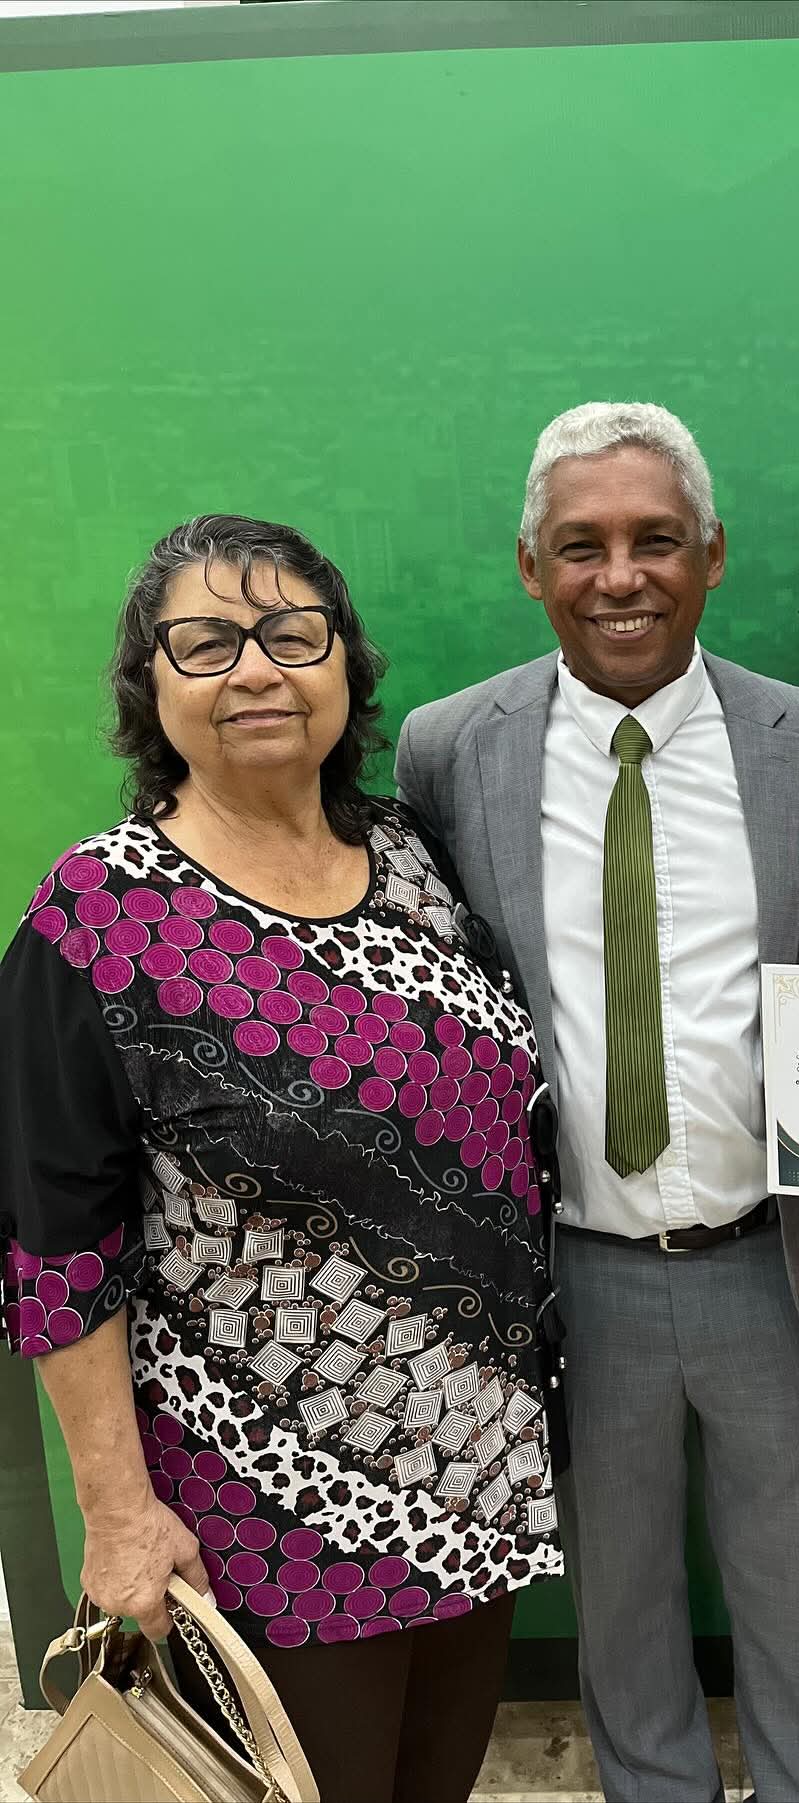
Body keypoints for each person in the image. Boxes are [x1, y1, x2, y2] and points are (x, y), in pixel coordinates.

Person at [0, 516, 563, 1803]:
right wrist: (118, 1513)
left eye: (292, 635)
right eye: (205, 644)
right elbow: (53, 1245)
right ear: (150, 685)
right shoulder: (98, 918)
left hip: (476, 1475)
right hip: (262, 1514)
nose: (255, 669)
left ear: (345, 664)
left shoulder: (414, 858)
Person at [397, 403, 799, 1803]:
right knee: (620, 1614)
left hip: (776, 1267)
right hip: (571, 1277)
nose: (621, 577)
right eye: (581, 545)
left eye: (656, 540)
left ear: (712, 554)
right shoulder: (448, 750)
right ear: (529, 565)